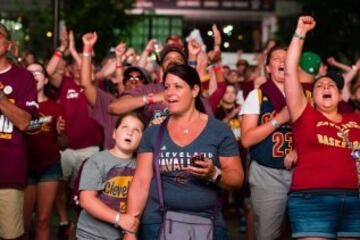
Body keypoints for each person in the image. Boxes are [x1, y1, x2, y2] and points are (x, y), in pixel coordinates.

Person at [124, 64, 244, 240]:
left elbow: (237, 179)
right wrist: (130, 230)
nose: (170, 92)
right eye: (167, 87)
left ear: (195, 90)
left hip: (207, 222)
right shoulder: (153, 133)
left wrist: (214, 174)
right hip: (158, 223)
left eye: (178, 86)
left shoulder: (219, 130)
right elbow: (141, 184)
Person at [285, 16, 360, 239]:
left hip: (354, 201)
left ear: (340, 96)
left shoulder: (355, 119)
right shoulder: (304, 114)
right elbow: (290, 72)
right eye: (320, 85)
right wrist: (300, 33)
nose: (326, 86)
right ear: (312, 96)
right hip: (312, 200)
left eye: (332, 86)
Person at [240, 45, 297, 240]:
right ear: (268, 68)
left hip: (302, 172)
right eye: (276, 58)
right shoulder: (257, 95)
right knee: (267, 234)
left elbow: (313, 132)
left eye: (286, 57)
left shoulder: (305, 95)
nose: (282, 61)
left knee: (304, 232)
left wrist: (297, 149)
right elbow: (246, 139)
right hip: (268, 172)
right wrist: (278, 120)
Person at [76, 112, 145, 239]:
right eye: (125, 127)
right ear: (114, 133)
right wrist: (119, 219)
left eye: (136, 130)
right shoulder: (97, 160)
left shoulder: (141, 166)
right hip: (91, 234)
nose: (130, 133)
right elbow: (86, 200)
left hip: (119, 236)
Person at [80, 32, 150, 149]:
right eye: (129, 77)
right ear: (123, 82)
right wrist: (87, 48)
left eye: (139, 78)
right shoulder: (110, 103)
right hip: (110, 165)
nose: (133, 81)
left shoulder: (152, 109)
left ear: (148, 86)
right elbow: (86, 84)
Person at [0, 23, 37, 240]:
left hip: (8, 175)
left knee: (10, 236)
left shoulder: (23, 78)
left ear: (9, 44)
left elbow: (25, 122)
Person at [24, 63, 67, 240]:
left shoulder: (55, 107)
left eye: (38, 72)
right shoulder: (18, 106)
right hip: (23, 167)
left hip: (49, 167)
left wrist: (61, 133)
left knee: (43, 220)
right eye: (30, 73)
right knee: (23, 223)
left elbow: (63, 144)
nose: (34, 75)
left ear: (46, 79)